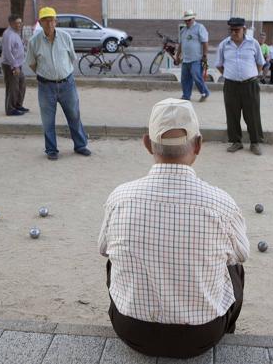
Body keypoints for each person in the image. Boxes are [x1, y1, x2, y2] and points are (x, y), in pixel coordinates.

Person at [99, 98, 249, 359]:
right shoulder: (221, 202)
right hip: (202, 335)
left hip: (131, 330)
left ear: (147, 144)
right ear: (199, 145)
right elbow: (241, 254)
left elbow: (103, 248)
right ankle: (228, 330)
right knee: (234, 267)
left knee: (114, 258)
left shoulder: (120, 197)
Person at [26, 7, 91, 160]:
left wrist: (61, 73)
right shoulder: (33, 42)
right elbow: (32, 63)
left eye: (51, 20)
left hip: (67, 84)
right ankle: (51, 150)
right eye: (45, 20)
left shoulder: (65, 37)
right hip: (45, 86)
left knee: (74, 115)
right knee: (48, 120)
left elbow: (71, 58)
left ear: (56, 21)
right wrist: (46, 74)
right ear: (40, 23)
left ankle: (81, 145)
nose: (49, 23)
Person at [215, 17, 265, 156]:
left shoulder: (253, 43)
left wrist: (252, 74)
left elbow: (260, 62)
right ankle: (236, 142)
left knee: (252, 114)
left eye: (237, 30)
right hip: (231, 85)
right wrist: (230, 75)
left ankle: (255, 142)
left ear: (244, 29)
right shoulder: (224, 45)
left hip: (250, 84)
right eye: (231, 30)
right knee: (232, 114)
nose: (234, 33)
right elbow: (219, 64)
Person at [174, 10, 210, 102]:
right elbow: (181, 44)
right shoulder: (183, 30)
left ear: (193, 18)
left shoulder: (199, 27)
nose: (187, 22)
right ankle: (186, 96)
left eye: (189, 20)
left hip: (196, 58)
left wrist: (205, 55)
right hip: (185, 59)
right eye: (185, 20)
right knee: (185, 79)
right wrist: (177, 56)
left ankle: (205, 92)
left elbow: (205, 42)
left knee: (196, 76)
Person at [0, 14, 28, 116]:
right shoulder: (8, 34)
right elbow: (8, 52)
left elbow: (17, 46)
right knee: (12, 87)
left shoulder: (16, 32)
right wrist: (15, 66)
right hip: (10, 65)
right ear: (11, 23)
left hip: (18, 64)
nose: (20, 24)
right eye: (17, 23)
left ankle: (18, 105)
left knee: (21, 85)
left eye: (20, 22)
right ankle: (10, 109)